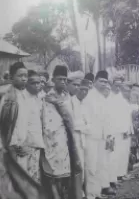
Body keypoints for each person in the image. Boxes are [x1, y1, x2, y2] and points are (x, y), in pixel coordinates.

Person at [42, 65, 82, 199]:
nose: (63, 82)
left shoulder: (67, 96)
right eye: (60, 79)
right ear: (53, 79)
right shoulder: (48, 97)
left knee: (71, 171)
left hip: (70, 138)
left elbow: (72, 117)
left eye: (65, 79)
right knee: (56, 175)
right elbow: (49, 122)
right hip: (54, 141)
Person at [0, 62, 44, 183]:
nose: (24, 78)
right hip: (13, 148)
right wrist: (15, 145)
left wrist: (30, 145)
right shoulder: (8, 98)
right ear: (11, 77)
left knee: (29, 182)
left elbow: (30, 123)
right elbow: (6, 126)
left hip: (29, 147)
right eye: (20, 75)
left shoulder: (28, 96)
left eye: (25, 75)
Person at [85, 70, 116, 198]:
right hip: (91, 137)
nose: (104, 84)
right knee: (91, 165)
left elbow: (107, 119)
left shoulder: (102, 97)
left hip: (102, 137)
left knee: (101, 164)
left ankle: (97, 191)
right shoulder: (88, 96)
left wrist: (109, 136)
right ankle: (91, 194)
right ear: (95, 81)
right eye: (101, 81)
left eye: (105, 82)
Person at [108, 76, 133, 182]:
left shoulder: (122, 98)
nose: (118, 88)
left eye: (120, 86)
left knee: (124, 152)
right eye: (116, 86)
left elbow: (127, 115)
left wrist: (128, 129)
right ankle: (116, 175)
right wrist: (121, 129)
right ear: (112, 85)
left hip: (125, 129)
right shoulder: (110, 98)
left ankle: (122, 173)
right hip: (116, 130)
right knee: (116, 154)